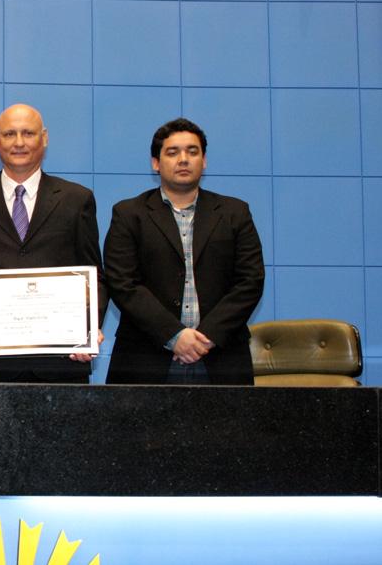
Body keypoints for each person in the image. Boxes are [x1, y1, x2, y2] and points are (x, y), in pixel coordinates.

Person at [0, 103, 107, 383]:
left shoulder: (76, 200)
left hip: (62, 364)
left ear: (44, 138)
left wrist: (88, 327)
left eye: (28, 133)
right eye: (10, 134)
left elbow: (95, 277)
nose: (19, 142)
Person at [104, 118, 264, 385]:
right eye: (172, 152)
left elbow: (250, 281)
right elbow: (123, 284)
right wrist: (175, 335)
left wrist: (206, 337)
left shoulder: (234, 213)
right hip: (146, 357)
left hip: (220, 355)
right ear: (155, 163)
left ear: (204, 161)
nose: (183, 159)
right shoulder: (129, 214)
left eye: (192, 151)